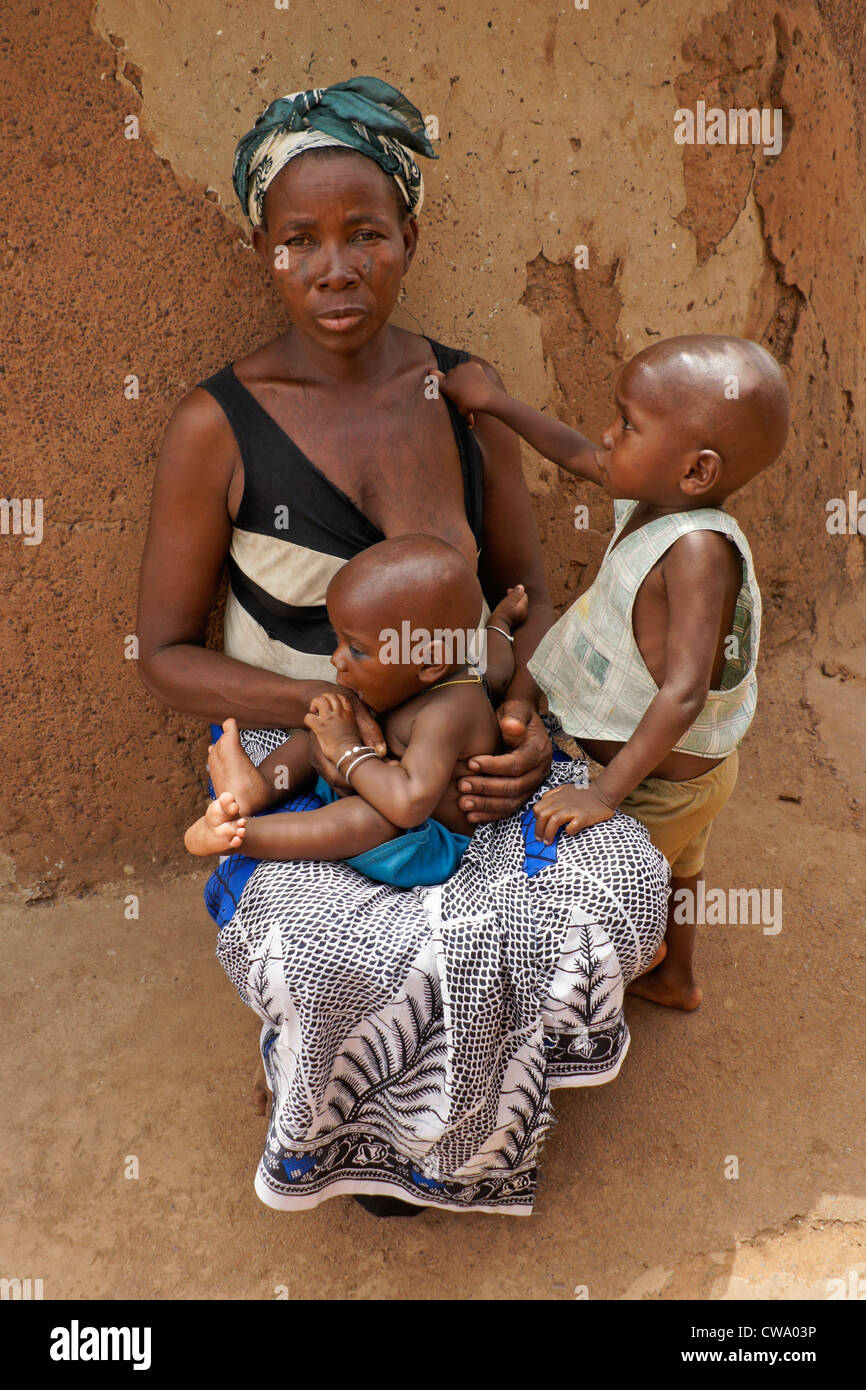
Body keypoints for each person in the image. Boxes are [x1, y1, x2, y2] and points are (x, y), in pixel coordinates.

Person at [137, 77, 669, 1217]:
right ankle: (351, 1123)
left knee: (612, 876)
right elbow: (165, 653)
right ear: (262, 254)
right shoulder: (215, 424)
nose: (335, 269)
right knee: (342, 943)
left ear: (407, 240)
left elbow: (519, 598)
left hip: (464, 730)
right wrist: (337, 720)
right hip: (310, 738)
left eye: (365, 234)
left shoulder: (459, 392)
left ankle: (473, 1115)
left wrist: (520, 728)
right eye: (299, 242)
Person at [436, 335, 790, 1011]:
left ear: (696, 471)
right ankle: (678, 977)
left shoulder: (695, 553)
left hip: (661, 782)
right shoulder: (658, 498)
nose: (608, 435)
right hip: (693, 772)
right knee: (685, 867)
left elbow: (684, 691)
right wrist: (495, 403)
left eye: (628, 424)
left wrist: (606, 794)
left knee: (599, 891)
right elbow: (577, 451)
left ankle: (592, 994)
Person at [184, 536, 528, 881]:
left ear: (430, 661)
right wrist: (501, 621)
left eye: (358, 651)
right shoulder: (443, 674)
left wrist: (346, 749)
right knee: (321, 725)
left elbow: (409, 804)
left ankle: (239, 837)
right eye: (339, 639)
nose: (337, 658)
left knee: (372, 820)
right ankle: (258, 787)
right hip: (371, 780)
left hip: (423, 839)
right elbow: (498, 668)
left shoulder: (448, 714)